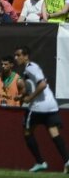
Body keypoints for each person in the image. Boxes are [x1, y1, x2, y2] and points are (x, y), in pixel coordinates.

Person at [15, 44, 69, 173]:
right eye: (15, 55)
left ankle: (40, 162)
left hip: (38, 108)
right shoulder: (29, 69)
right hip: (51, 106)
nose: (16, 57)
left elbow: (43, 85)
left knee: (27, 132)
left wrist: (29, 98)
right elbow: (33, 86)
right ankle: (67, 161)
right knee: (54, 133)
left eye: (18, 55)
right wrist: (22, 96)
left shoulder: (31, 68)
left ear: (26, 56)